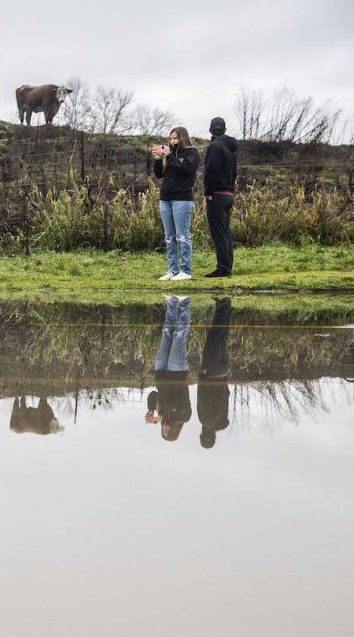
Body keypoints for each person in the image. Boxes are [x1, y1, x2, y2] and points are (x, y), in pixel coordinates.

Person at [152, 127, 200, 281]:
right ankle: (173, 270)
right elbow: (159, 174)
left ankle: (185, 271)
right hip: (165, 198)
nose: (172, 141)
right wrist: (158, 160)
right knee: (169, 237)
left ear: (183, 138)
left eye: (175, 138)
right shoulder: (169, 154)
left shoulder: (192, 152)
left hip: (182, 199)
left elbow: (186, 170)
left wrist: (170, 157)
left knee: (182, 236)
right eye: (171, 138)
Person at [152, 296, 192, 441]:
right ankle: (185, 302)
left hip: (160, 372)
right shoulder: (184, 416)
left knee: (167, 332)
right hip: (177, 372)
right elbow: (178, 401)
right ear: (174, 431)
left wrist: (152, 410)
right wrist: (165, 411)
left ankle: (172, 301)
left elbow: (152, 394)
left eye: (162, 429)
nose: (164, 427)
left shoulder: (162, 413)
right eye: (166, 430)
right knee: (179, 335)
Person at [203, 117, 239, 277]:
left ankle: (223, 268)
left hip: (216, 195)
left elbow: (211, 171)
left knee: (218, 233)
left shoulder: (214, 147)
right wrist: (230, 188)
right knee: (225, 232)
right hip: (229, 194)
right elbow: (234, 173)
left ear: (211, 130)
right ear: (224, 129)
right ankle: (227, 266)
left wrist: (208, 192)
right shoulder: (232, 148)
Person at [197, 297, 232, 448]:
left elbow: (226, 396)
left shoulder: (222, 421)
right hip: (211, 371)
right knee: (215, 334)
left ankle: (227, 304)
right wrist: (201, 375)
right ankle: (221, 303)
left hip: (223, 373)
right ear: (203, 435)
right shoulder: (205, 420)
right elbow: (202, 395)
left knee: (223, 335)